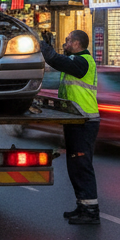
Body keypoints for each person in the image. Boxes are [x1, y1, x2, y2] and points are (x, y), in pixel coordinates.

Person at [40, 28, 100, 225]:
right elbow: (61, 59)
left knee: (82, 166)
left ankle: (91, 211)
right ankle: (82, 205)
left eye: (67, 41)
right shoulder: (77, 61)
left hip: (84, 120)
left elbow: (57, 60)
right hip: (76, 120)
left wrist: (45, 49)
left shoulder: (83, 62)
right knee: (75, 165)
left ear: (76, 43)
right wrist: (51, 47)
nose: (65, 44)